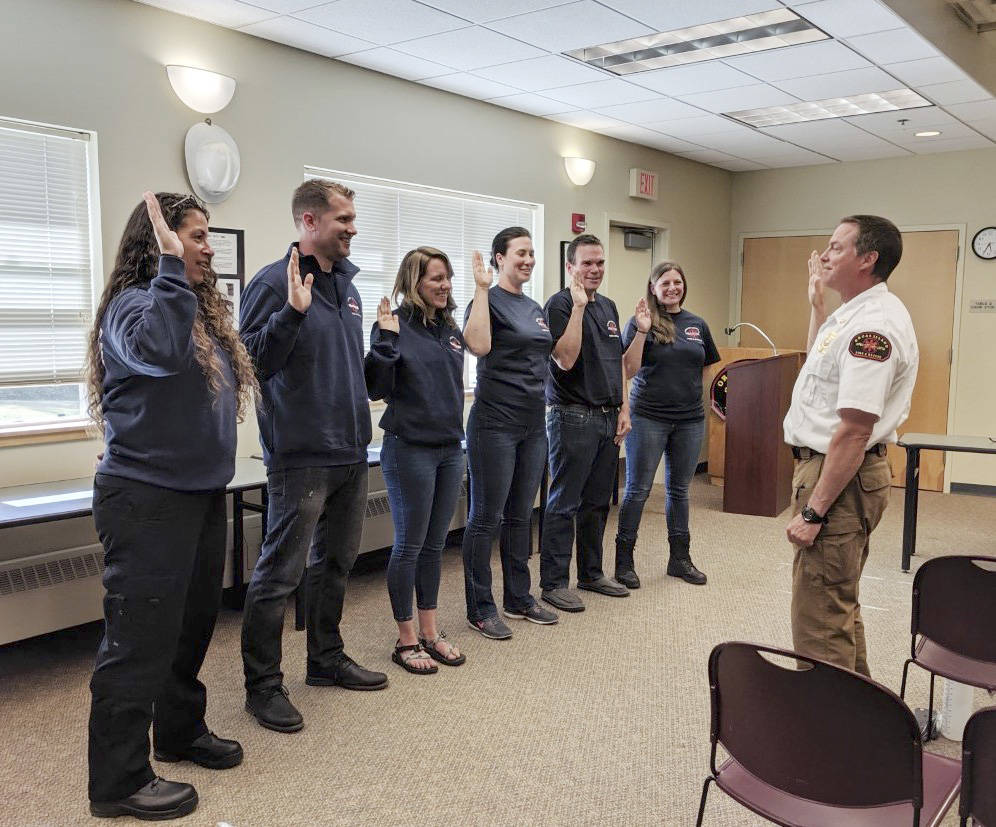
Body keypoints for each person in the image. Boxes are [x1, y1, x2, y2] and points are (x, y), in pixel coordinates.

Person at [85, 192, 257, 820]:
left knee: (188, 629)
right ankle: (118, 783)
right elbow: (158, 353)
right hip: (146, 498)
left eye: (209, 236)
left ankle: (180, 732)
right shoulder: (134, 306)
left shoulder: (197, 310)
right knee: (139, 640)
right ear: (159, 243)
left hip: (199, 493)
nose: (209, 247)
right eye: (196, 235)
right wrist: (166, 267)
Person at [239, 179, 387, 734]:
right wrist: (292, 314)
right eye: (343, 219)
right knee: (279, 575)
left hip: (350, 449)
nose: (353, 229)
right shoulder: (272, 283)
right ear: (309, 221)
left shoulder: (348, 286)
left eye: (352, 219)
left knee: (336, 564)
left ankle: (325, 659)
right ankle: (263, 687)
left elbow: (351, 371)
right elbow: (252, 363)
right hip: (300, 455)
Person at [784, 215, 918, 676]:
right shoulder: (851, 315)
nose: (824, 256)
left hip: (839, 475)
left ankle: (830, 721)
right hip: (834, 470)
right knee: (835, 604)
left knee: (820, 619)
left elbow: (856, 430)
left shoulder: (872, 329)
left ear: (867, 259)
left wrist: (814, 512)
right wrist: (816, 306)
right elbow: (817, 370)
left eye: (836, 247)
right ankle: (861, 712)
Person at [365, 247, 467, 673]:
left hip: (450, 447)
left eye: (447, 277)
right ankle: (405, 639)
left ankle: (430, 631)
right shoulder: (392, 325)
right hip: (409, 447)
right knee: (409, 544)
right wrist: (386, 341)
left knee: (435, 544)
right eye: (435, 278)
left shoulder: (450, 328)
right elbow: (374, 388)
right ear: (414, 282)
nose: (445, 285)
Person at [461, 228, 558, 640]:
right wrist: (481, 289)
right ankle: (480, 608)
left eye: (532, 253)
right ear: (500, 258)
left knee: (521, 515)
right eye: (521, 253)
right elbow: (478, 346)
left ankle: (519, 598)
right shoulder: (486, 300)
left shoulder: (534, 307)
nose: (529, 260)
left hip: (533, 424)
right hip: (494, 423)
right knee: (486, 517)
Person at [539, 233, 632, 613]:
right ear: (570, 267)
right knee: (564, 502)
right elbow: (565, 358)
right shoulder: (559, 304)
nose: (595, 269)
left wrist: (624, 408)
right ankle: (553, 583)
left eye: (600, 262)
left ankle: (591, 574)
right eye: (587, 263)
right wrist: (578, 308)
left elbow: (618, 362)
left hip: (608, 417)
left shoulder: (609, 306)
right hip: (572, 416)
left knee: (597, 502)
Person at [615, 262, 720, 588]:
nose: (673, 288)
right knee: (638, 490)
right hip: (648, 417)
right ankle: (624, 562)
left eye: (677, 282)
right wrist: (642, 330)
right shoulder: (640, 321)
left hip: (689, 420)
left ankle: (680, 559)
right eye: (665, 283)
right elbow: (626, 369)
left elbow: (705, 366)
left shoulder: (697, 324)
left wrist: (691, 395)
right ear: (653, 288)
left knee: (679, 490)